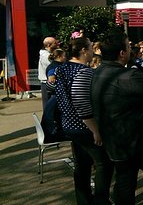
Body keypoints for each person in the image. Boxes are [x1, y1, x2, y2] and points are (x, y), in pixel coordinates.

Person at [91, 28, 143, 204]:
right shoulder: (128, 76)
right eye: (128, 47)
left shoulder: (97, 73)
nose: (130, 50)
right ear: (121, 53)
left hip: (114, 140)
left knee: (125, 184)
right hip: (137, 141)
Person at [55, 37, 113, 204]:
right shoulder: (84, 72)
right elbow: (82, 104)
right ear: (83, 50)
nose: (92, 51)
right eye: (90, 47)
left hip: (69, 124)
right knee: (103, 164)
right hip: (84, 126)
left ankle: (84, 199)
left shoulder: (63, 68)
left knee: (82, 165)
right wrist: (95, 130)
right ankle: (101, 201)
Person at [38, 36, 58, 110]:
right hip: (47, 83)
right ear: (49, 45)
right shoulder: (45, 56)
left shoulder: (49, 54)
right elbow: (52, 65)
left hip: (50, 82)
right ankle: (48, 120)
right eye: (55, 43)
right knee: (48, 106)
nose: (57, 44)